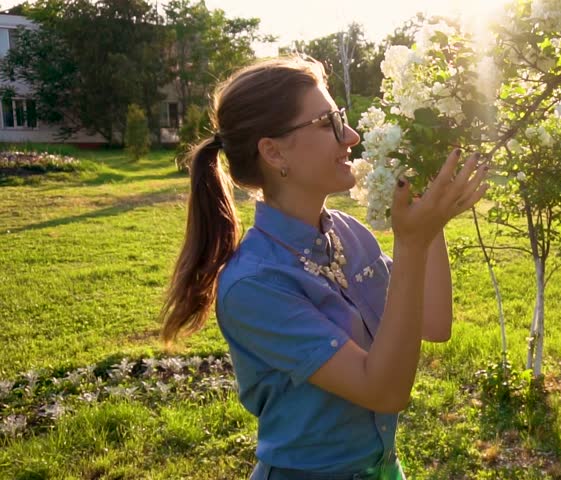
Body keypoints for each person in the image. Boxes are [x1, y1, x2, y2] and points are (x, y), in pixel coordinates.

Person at [159, 56, 489, 480]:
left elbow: (434, 322)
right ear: (273, 151)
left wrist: (431, 220)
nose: (350, 136)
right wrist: (411, 243)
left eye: (343, 119)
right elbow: (384, 391)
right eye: (327, 123)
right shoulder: (254, 286)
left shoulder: (349, 234)